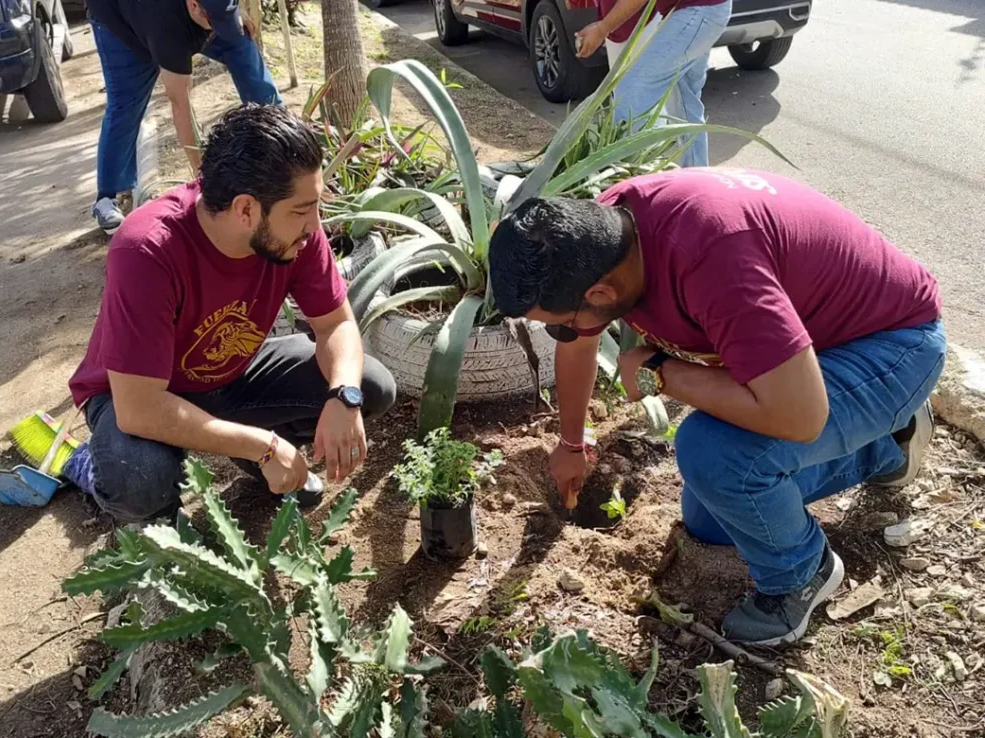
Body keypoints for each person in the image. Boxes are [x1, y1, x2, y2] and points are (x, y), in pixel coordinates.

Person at [488, 167, 945, 646]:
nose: (566, 333)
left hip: (890, 347)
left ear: (601, 294)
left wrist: (661, 371)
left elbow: (800, 416)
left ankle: (803, 574)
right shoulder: (599, 239)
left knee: (716, 454)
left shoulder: (712, 261)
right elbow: (578, 346)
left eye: (560, 323)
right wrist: (571, 443)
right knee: (711, 518)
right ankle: (887, 443)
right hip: (807, 354)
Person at [63, 104, 396, 523]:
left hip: (229, 370)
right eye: (302, 209)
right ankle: (96, 472)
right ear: (245, 210)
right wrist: (265, 446)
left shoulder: (295, 231)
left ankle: (250, 449)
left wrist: (343, 396)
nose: (316, 224)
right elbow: (140, 408)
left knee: (371, 385)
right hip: (134, 391)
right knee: (140, 478)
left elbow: (336, 324)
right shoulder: (146, 250)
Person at [87, 0, 284, 235]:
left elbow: (220, 15)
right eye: (214, 21)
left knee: (240, 42)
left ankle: (282, 132)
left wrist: (231, 13)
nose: (216, 30)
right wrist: (204, 178)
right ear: (193, 5)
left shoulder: (209, 12)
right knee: (126, 104)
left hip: (176, 14)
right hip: (119, 19)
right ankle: (107, 197)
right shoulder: (166, 28)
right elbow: (181, 104)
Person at [572, 0, 731, 168]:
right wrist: (603, 26)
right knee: (684, 102)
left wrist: (603, 28)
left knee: (632, 89)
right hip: (708, 12)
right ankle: (697, 179)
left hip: (695, 13)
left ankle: (631, 181)